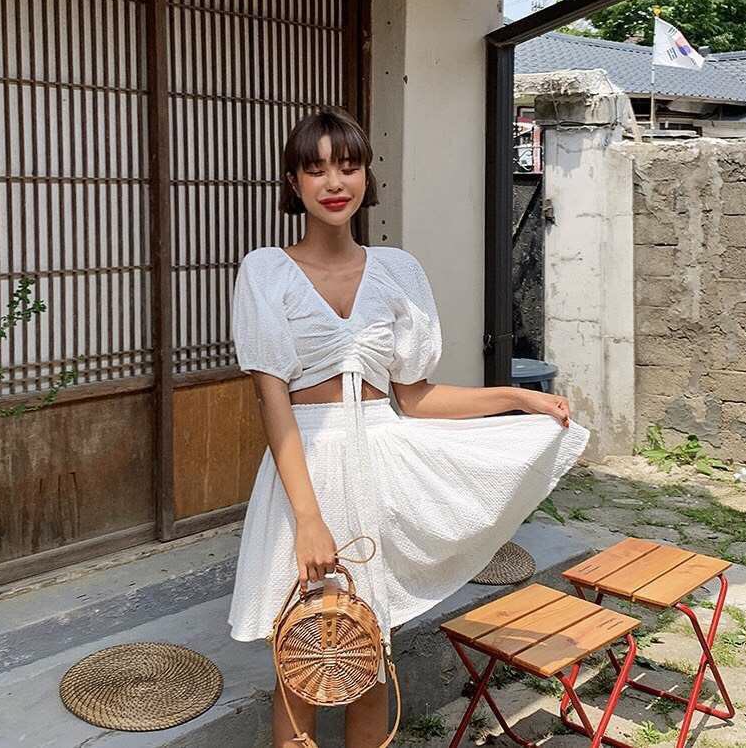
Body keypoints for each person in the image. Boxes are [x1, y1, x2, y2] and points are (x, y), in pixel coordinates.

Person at [227, 105, 590, 748]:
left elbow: (416, 398)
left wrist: (517, 398)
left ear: (367, 177)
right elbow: (272, 403)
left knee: (368, 653)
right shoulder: (265, 271)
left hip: (380, 471)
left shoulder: (398, 272)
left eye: (349, 166)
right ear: (293, 182)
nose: (334, 182)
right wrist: (309, 520)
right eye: (316, 169)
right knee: (299, 660)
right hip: (303, 474)